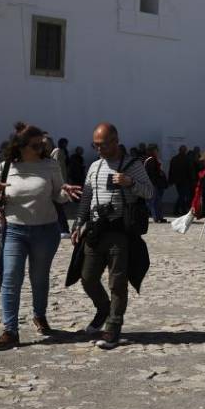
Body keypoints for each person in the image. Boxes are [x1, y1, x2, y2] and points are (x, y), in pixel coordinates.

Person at [0, 124, 82, 349]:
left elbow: (58, 195)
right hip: (14, 230)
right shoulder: (5, 167)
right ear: (20, 146)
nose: (42, 148)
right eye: (36, 145)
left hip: (45, 230)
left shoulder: (50, 165)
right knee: (11, 277)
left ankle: (39, 315)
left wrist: (65, 193)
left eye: (43, 144)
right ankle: (10, 330)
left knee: (39, 277)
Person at [73, 122, 153, 350]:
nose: (98, 149)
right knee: (87, 278)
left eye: (102, 145)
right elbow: (87, 197)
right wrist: (79, 223)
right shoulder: (95, 166)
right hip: (96, 230)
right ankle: (103, 308)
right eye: (95, 145)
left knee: (117, 282)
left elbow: (149, 192)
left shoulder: (132, 165)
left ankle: (113, 326)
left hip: (120, 232)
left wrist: (130, 183)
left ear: (115, 141)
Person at [168, 145, 194, 216]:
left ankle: (182, 210)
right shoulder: (187, 159)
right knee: (182, 195)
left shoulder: (174, 158)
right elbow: (190, 170)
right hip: (184, 180)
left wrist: (170, 180)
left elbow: (171, 171)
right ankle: (178, 210)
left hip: (178, 181)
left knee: (181, 195)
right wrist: (192, 180)